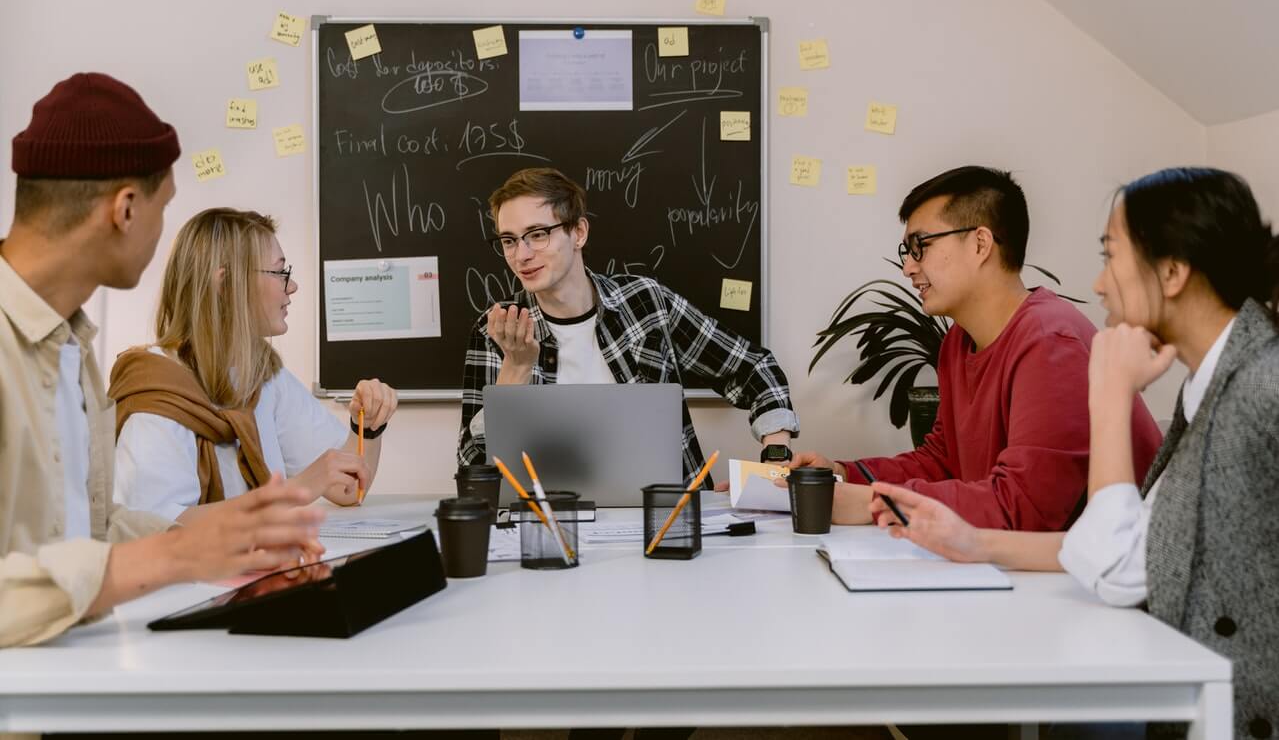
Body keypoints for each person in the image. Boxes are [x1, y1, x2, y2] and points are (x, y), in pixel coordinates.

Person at [871, 167, 1279, 739]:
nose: (1099, 284)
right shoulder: (1217, 382)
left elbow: (1115, 566)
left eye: (1112, 257)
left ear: (1173, 271)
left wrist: (1110, 393)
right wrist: (970, 540)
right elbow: (1144, 549)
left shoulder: (1257, 390)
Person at [1, 73, 323, 648]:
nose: (162, 233)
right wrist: (175, 552)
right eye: (163, 207)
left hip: (73, 687)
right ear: (126, 209)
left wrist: (229, 538)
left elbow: (84, 532)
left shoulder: (73, 348)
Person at [789, 166, 1162, 529]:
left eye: (921, 246)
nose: (908, 268)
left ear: (981, 243)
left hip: (1105, 577)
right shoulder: (958, 341)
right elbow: (942, 461)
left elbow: (1025, 507)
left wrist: (878, 504)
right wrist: (843, 474)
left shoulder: (1049, 341)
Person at [457, 167, 799, 479]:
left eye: (538, 234)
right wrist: (515, 371)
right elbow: (474, 469)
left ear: (578, 232)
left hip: (667, 515)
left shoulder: (646, 303)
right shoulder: (499, 328)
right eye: (509, 240)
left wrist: (776, 452)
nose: (522, 255)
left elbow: (754, 368)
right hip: (550, 523)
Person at [111, 208, 399, 522]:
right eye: (279, 273)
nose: (292, 287)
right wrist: (293, 491)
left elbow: (346, 490)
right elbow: (152, 527)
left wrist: (366, 426)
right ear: (225, 284)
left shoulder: (264, 379)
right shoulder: (155, 390)